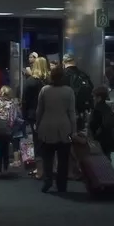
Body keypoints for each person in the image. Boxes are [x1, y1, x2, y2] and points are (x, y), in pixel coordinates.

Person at [36, 65, 77, 193]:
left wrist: (38, 126)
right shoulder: (69, 91)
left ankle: (48, 179)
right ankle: (61, 184)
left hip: (47, 126)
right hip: (64, 128)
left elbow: (39, 111)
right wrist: (74, 130)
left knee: (47, 157)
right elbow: (72, 113)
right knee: (63, 159)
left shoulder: (44, 90)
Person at [22, 56, 49, 177]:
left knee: (37, 141)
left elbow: (25, 100)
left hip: (34, 115)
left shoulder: (31, 81)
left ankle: (39, 170)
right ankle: (49, 168)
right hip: (49, 114)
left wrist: (24, 115)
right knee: (49, 142)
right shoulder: (50, 81)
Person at [63, 53, 93, 131]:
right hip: (81, 109)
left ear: (63, 62)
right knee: (79, 132)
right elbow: (91, 87)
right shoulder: (83, 74)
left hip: (67, 110)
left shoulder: (63, 75)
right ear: (74, 61)